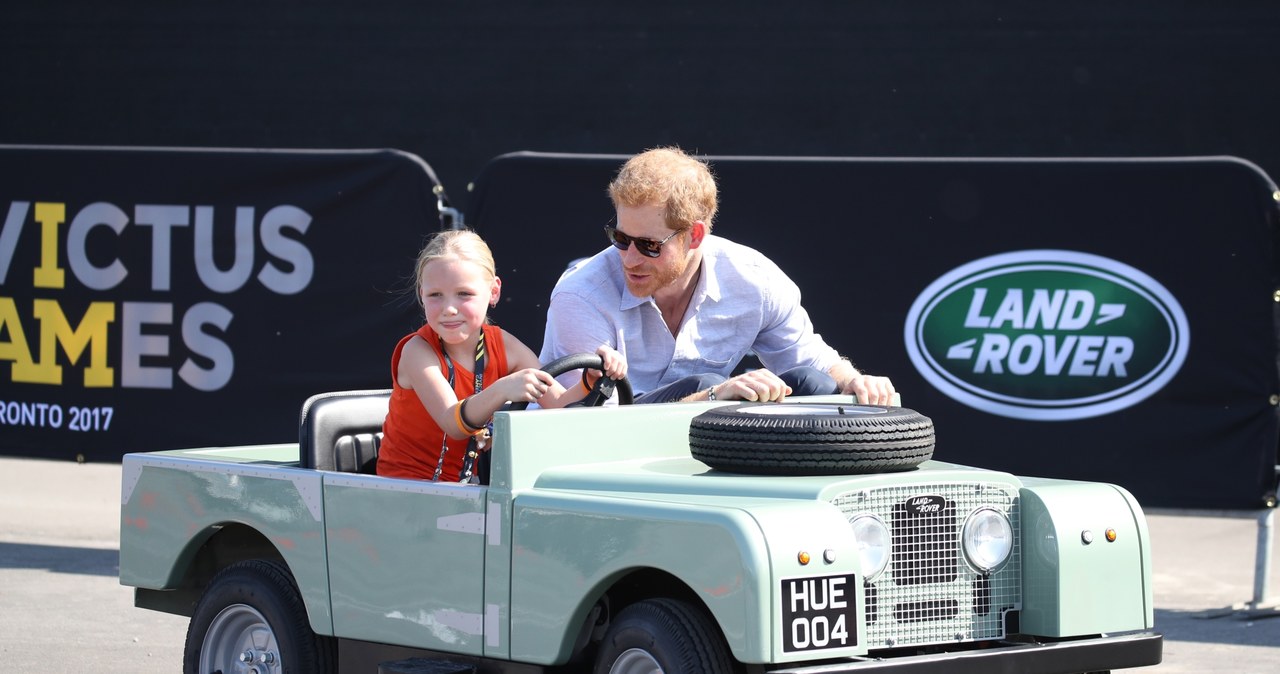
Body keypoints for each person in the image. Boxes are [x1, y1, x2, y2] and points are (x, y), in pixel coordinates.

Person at [540, 147, 894, 405]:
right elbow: (584, 423)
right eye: (620, 238)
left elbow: (810, 362)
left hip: (702, 432)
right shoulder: (582, 293)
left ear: (694, 236)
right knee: (711, 384)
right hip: (601, 443)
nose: (629, 258)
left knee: (815, 385)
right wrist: (711, 396)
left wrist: (860, 384)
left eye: (649, 245)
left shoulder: (755, 279)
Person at [378, 229, 626, 482]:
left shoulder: (504, 345)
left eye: (464, 294)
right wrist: (503, 390)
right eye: (435, 295)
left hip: (470, 490)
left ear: (494, 291)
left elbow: (559, 405)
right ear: (421, 294)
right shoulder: (417, 351)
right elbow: (452, 424)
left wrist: (592, 380)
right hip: (405, 489)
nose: (449, 309)